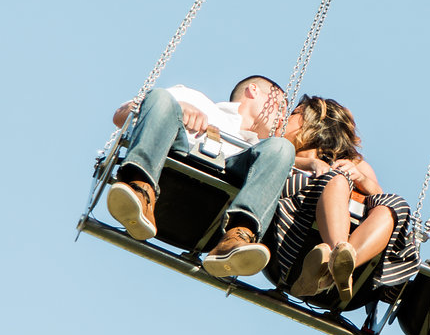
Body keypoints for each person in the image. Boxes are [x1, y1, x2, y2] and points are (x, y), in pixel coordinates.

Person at [106, 76, 295, 279]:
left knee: (282, 147)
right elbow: (121, 116)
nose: (282, 117)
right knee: (161, 97)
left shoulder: (262, 151)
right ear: (253, 90)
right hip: (173, 171)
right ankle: (139, 191)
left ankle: (237, 237)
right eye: (280, 106)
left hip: (215, 215)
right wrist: (178, 108)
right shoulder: (196, 99)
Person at [266, 95, 417, 306]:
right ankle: (336, 256)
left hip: (340, 266)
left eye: (294, 114)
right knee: (336, 179)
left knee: (395, 205)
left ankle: (338, 268)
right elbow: (269, 158)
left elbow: (378, 193)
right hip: (292, 240)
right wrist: (309, 163)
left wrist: (359, 177)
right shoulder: (286, 149)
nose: (285, 118)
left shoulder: (353, 162)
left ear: (313, 121)